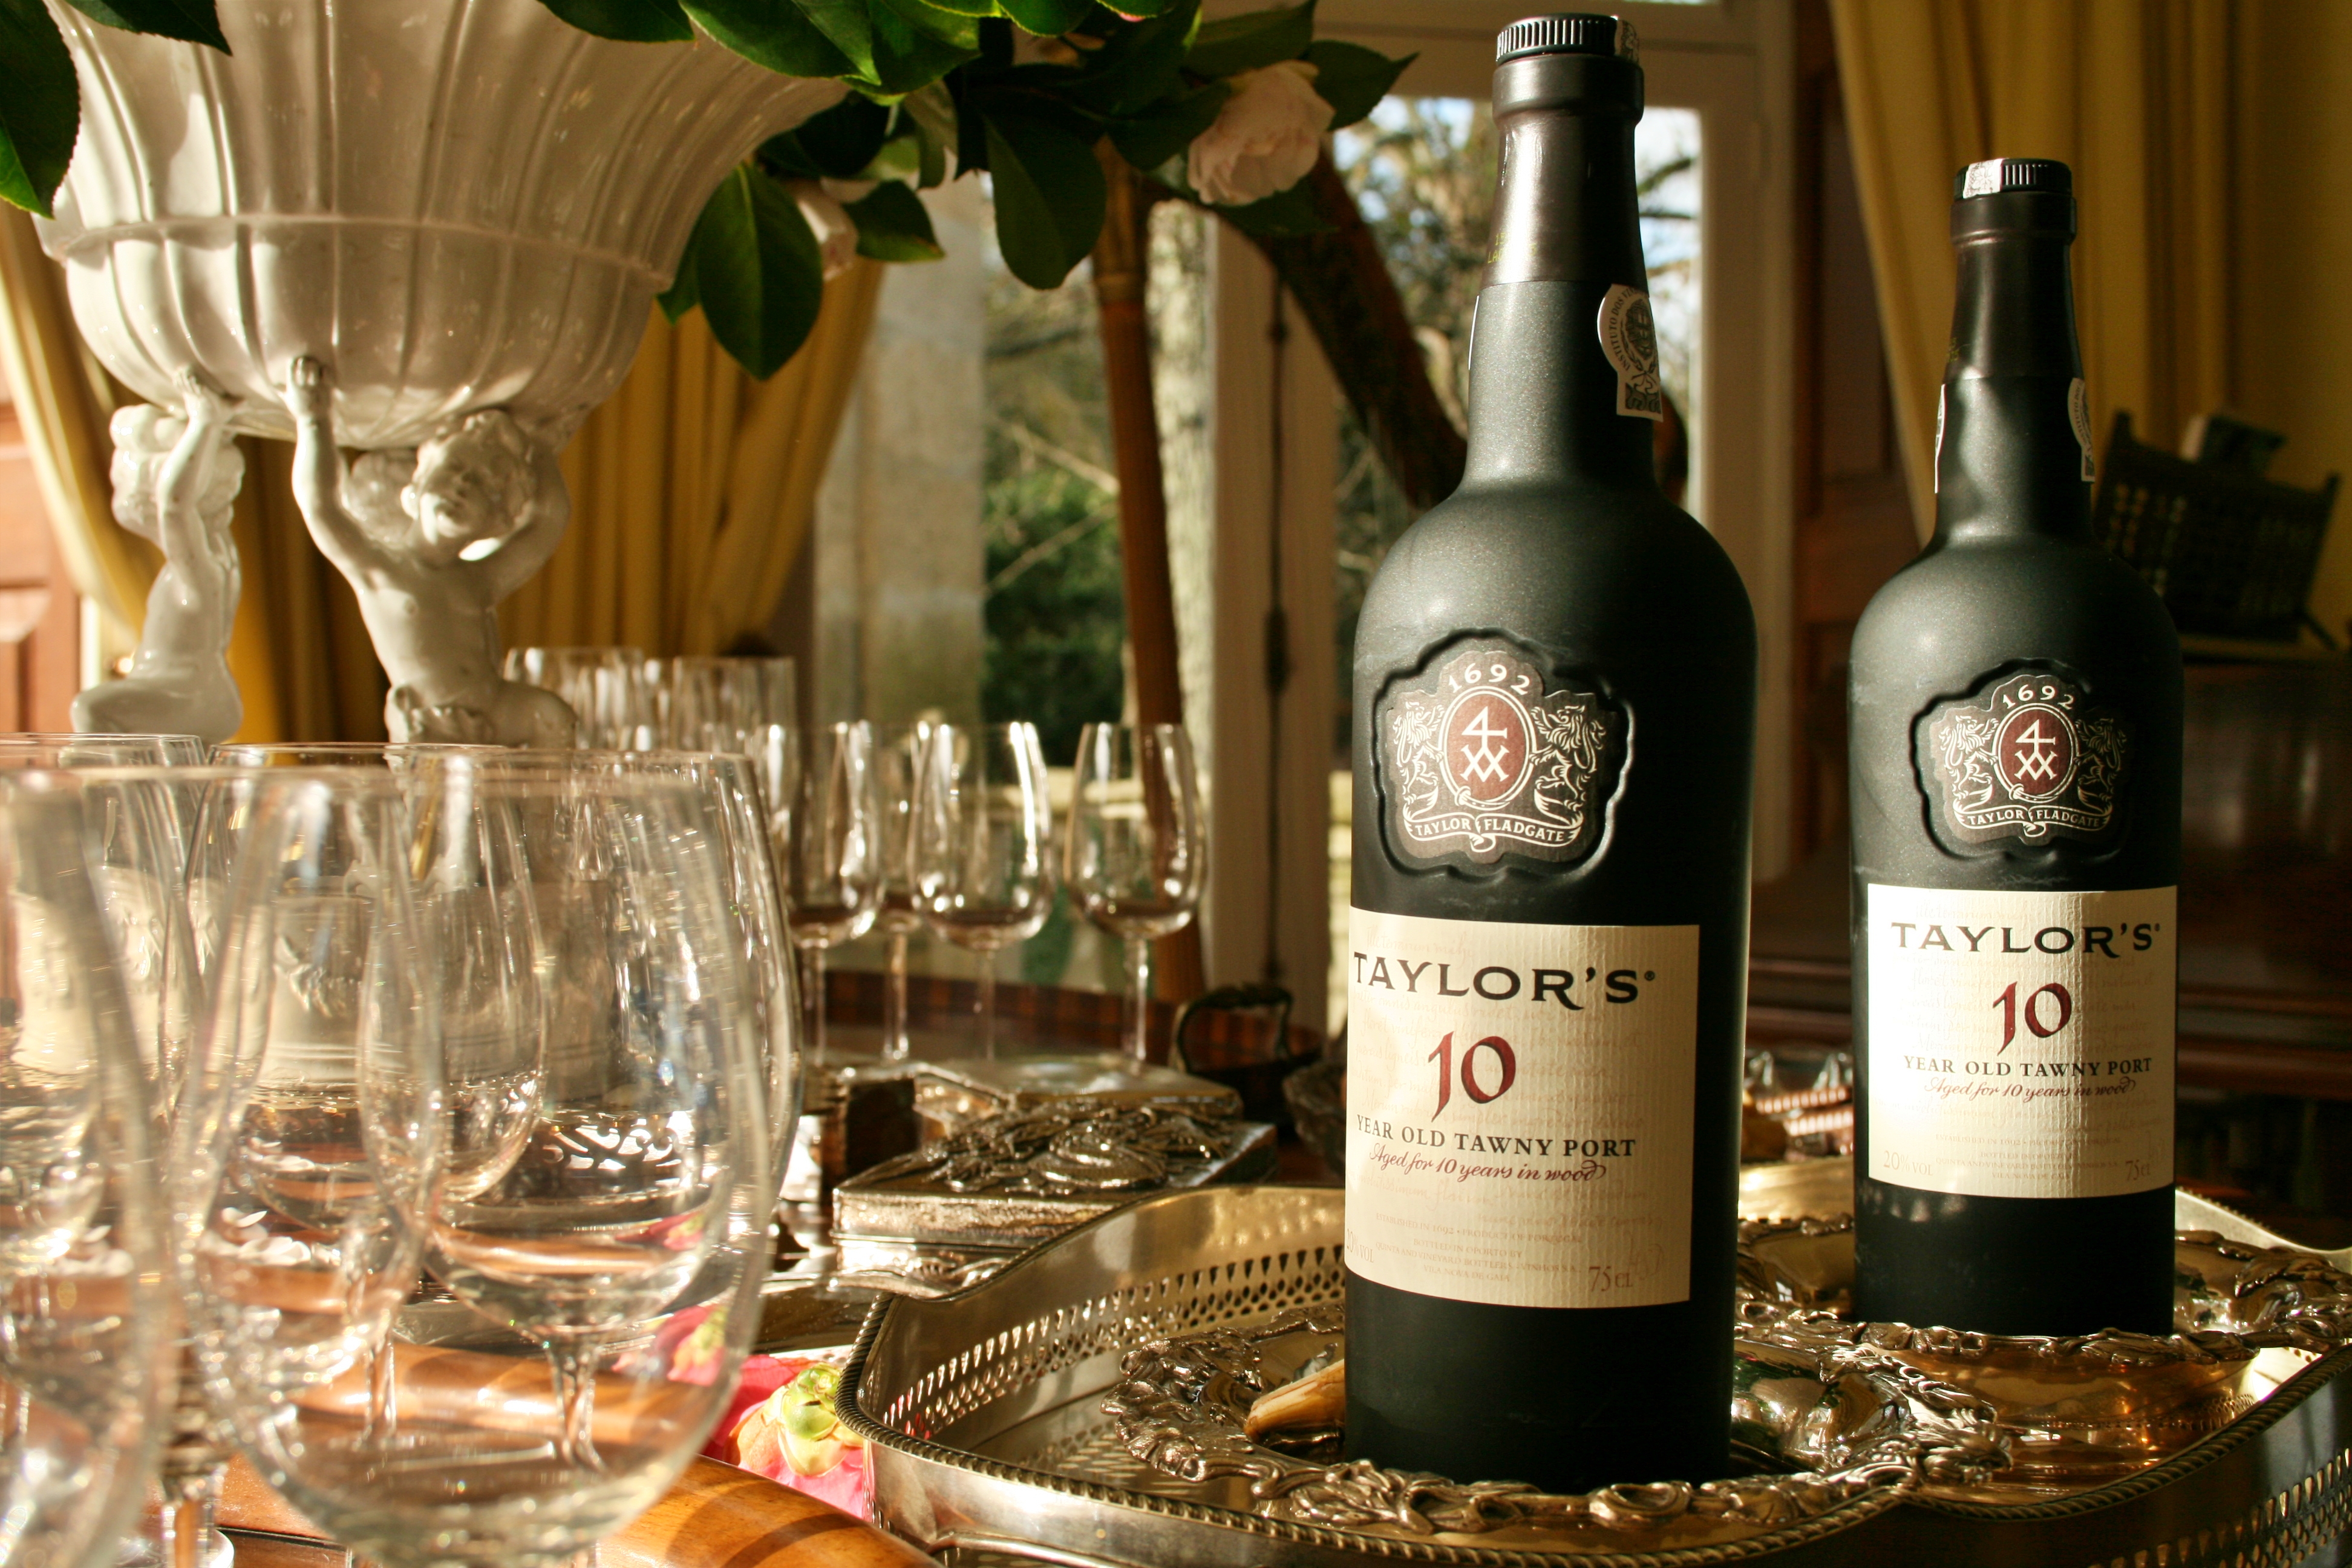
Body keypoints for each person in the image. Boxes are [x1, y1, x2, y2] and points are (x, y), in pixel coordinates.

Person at [284, 356, 577, 745]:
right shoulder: (382, 571)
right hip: (429, 722)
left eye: (479, 484)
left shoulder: (477, 579)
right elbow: (320, 503)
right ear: (418, 482)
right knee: (442, 804)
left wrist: (541, 450)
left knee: (552, 717)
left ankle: (546, 809)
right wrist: (312, 419)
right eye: (453, 469)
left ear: (499, 519)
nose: (460, 487)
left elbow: (547, 524)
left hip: (496, 707)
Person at [74, 370, 246, 745]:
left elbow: (175, 507)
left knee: (91, 710)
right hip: (188, 689)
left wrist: (205, 421)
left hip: (195, 694)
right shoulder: (198, 559)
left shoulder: (205, 565)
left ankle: (110, 796)